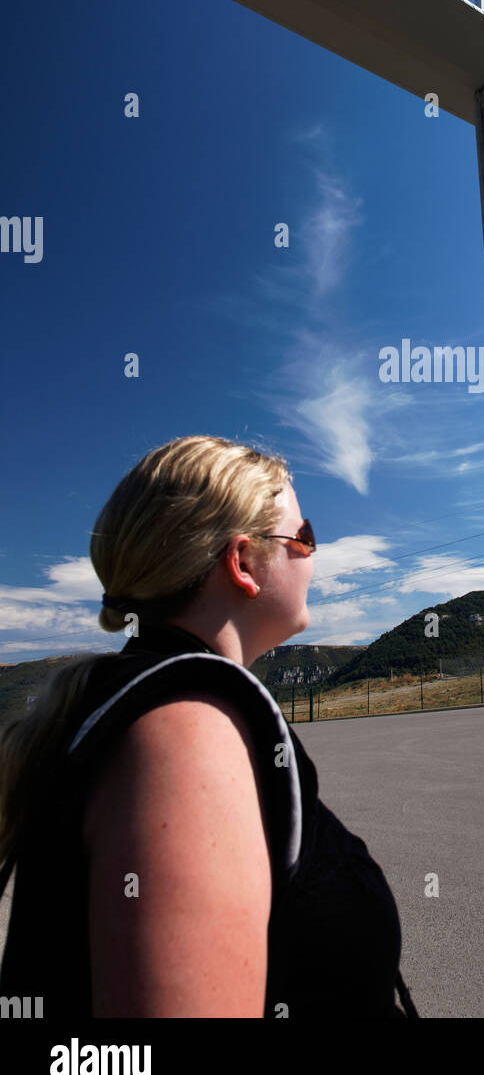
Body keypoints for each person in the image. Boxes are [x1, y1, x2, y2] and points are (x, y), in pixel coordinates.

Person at [0, 434, 419, 1018]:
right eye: (305, 537)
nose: (313, 555)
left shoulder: (141, 697)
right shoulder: (188, 731)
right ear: (244, 562)